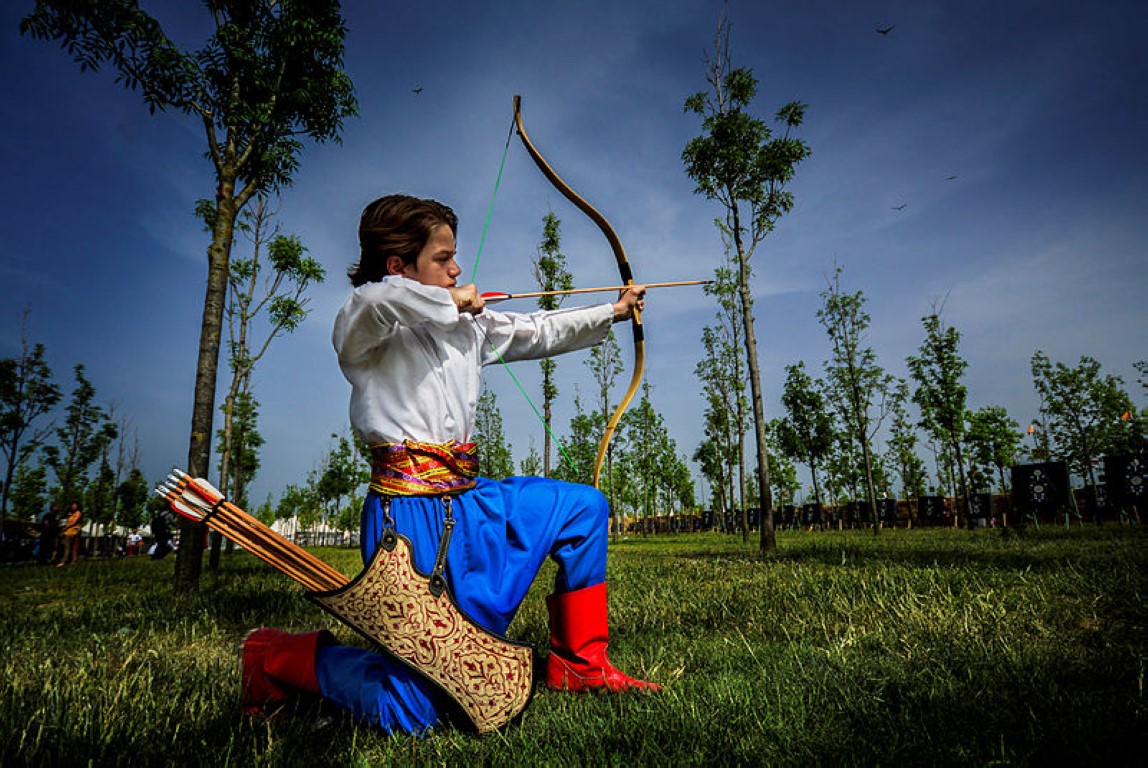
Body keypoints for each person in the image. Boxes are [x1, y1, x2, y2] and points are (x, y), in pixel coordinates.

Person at [240, 193, 659, 734]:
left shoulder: (466, 327)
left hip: (470, 501)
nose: (457, 268)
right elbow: (377, 301)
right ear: (398, 265)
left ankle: (581, 664)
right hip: (407, 520)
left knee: (581, 508)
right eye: (442, 258)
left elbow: (536, 329)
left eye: (454, 256)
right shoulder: (364, 325)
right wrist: (450, 302)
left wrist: (614, 311)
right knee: (412, 712)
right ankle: (271, 656)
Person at [56, 501, 82, 567]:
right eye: (72, 506)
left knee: (67, 547)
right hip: (71, 531)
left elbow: (73, 522)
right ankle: (74, 561)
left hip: (71, 532)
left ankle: (64, 561)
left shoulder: (77, 513)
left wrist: (65, 528)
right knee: (73, 548)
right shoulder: (71, 514)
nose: (73, 507)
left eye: (75, 506)